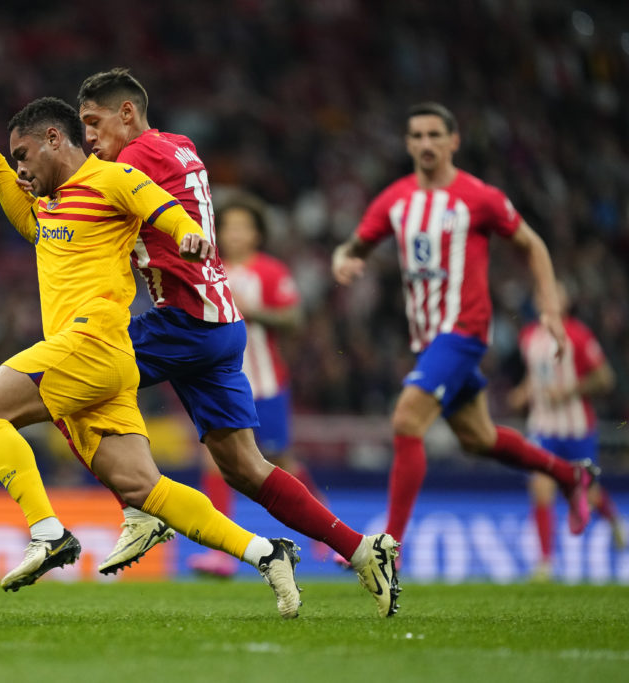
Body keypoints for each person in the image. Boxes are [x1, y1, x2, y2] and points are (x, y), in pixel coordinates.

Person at [0, 96, 303, 619]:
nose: (21, 167)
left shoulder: (111, 180)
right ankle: (268, 553)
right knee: (142, 486)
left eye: (22, 153)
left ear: (52, 140)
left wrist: (190, 237)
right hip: (105, 364)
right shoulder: (53, 205)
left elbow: (163, 208)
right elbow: (30, 224)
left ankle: (47, 532)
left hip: (92, 343)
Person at [76, 68, 399, 617]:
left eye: (93, 121)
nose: (89, 137)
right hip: (221, 326)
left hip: (182, 322)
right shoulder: (180, 147)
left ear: (127, 113)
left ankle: (141, 509)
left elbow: (84, 207)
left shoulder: (132, 161)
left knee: (72, 382)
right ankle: (363, 550)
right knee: (246, 469)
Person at [331, 102, 596, 552]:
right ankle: (569, 475)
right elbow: (353, 246)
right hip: (429, 341)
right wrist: (343, 258)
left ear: (454, 141)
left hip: (465, 331)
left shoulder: (480, 197)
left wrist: (549, 306)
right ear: (407, 143)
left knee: (406, 418)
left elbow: (533, 245)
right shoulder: (395, 200)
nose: (426, 143)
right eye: (417, 136)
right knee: (480, 438)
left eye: (435, 135)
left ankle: (387, 551)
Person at [187, 194, 330, 577]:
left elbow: (294, 318)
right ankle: (221, 551)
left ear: (256, 234)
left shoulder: (269, 271)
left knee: (281, 462)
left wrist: (252, 313)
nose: (235, 234)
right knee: (214, 459)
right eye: (229, 227)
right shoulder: (207, 267)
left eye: (243, 227)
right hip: (219, 382)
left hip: (265, 383)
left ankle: (330, 536)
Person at [508, 282, 623, 581]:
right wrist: (522, 393)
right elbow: (535, 378)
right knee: (541, 488)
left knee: (589, 493)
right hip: (543, 429)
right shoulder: (529, 337)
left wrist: (571, 391)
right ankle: (545, 563)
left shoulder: (579, 336)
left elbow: (605, 379)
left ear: (566, 300)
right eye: (541, 294)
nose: (546, 300)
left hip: (577, 430)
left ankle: (613, 521)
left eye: (553, 294)